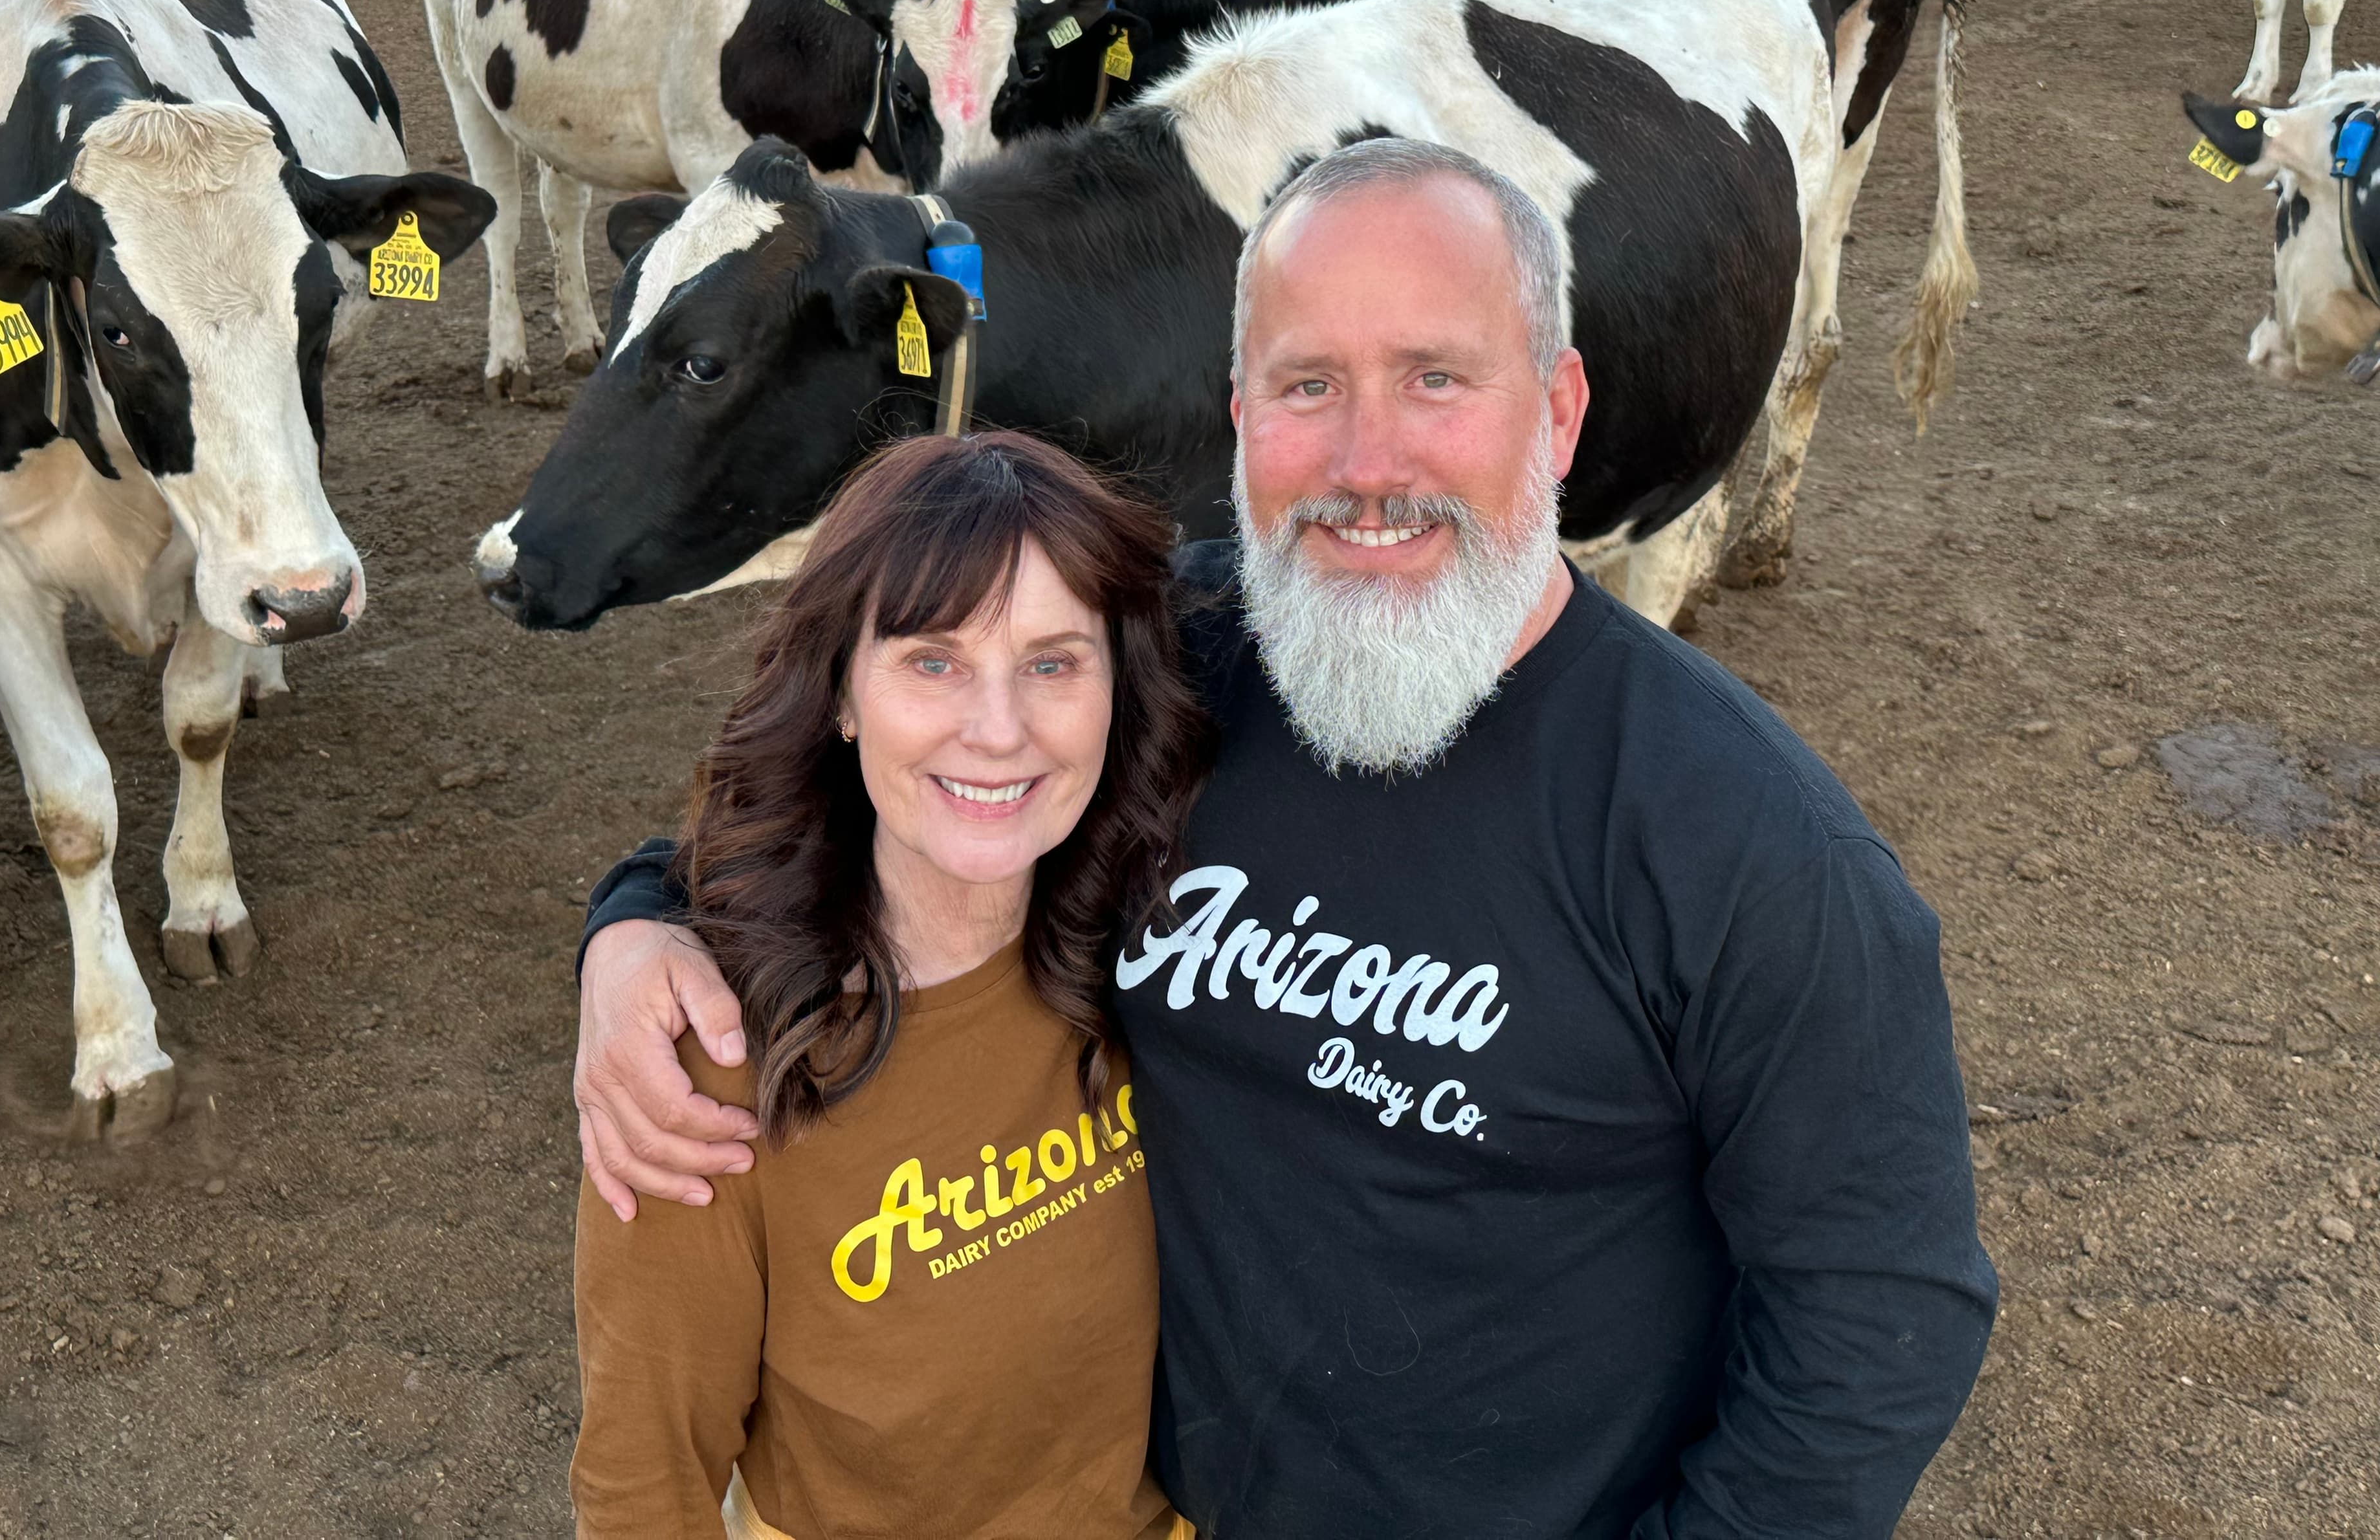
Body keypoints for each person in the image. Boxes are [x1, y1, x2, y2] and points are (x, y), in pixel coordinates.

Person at [575, 138, 1999, 1538]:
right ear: (1241, 416)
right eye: (1309, 386)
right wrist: (637, 920)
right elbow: (902, 764)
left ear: (1558, 414)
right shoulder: (1177, 661)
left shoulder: (1746, 847)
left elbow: (1882, 1307)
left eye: (1437, 380)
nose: (1368, 464)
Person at [567, 430, 1211, 1539]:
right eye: (933, 660)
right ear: (842, 695)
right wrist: (622, 934)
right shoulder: (712, 1063)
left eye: (1054, 662)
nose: (999, 730)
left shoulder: (1172, 946)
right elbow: (643, 1488)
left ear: (1120, 688)